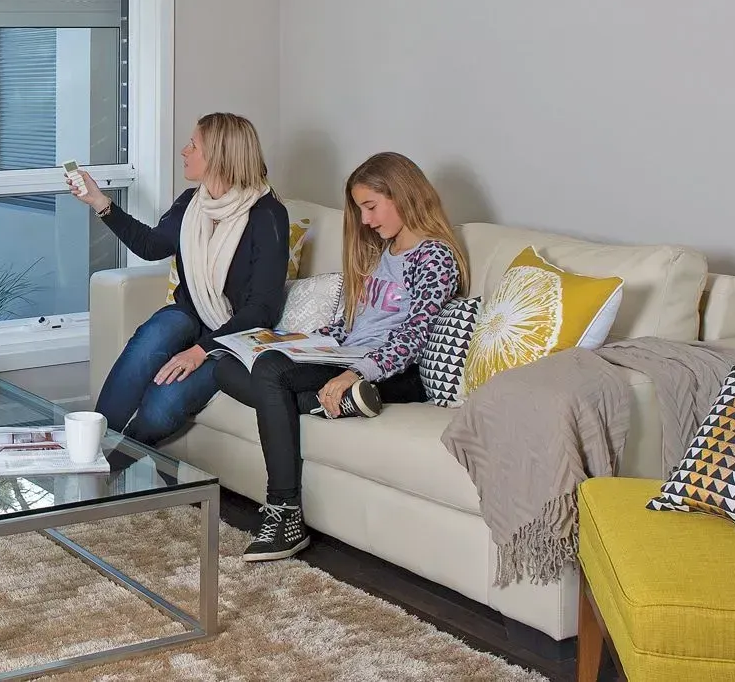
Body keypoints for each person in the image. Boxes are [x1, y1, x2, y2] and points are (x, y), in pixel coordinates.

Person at [215, 152, 467, 561]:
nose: (366, 221)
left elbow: (416, 331)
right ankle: (322, 404)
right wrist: (297, 340)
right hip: (347, 355)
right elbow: (354, 325)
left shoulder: (433, 257)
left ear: (403, 194)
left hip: (388, 370)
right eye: (361, 209)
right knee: (225, 364)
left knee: (268, 371)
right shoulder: (387, 252)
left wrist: (355, 372)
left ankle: (285, 511)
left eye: (371, 207)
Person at [67, 112, 289, 446]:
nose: (184, 151)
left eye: (193, 145)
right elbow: (151, 245)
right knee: (156, 334)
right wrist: (100, 202)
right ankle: (92, 447)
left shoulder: (267, 215)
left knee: (160, 408)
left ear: (219, 155)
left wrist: (201, 351)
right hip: (191, 315)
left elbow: (262, 310)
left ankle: (112, 466)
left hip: (234, 336)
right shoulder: (192, 203)